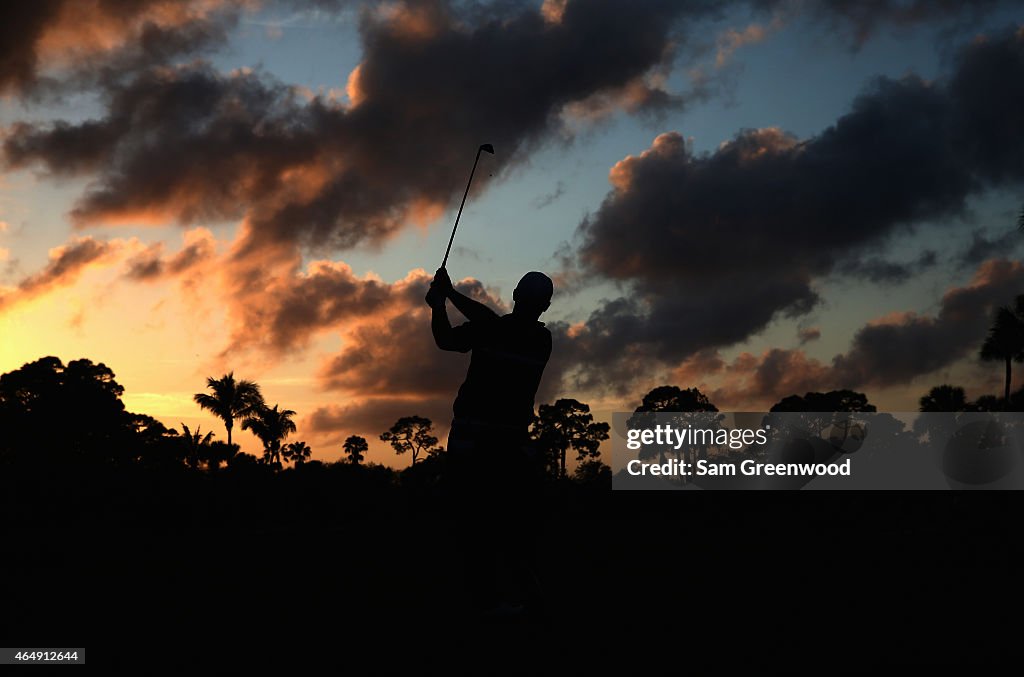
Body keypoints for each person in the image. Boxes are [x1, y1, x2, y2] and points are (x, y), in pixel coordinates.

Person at [424, 266, 553, 616]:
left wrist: (446, 297)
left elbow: (474, 330)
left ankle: (490, 600)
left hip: (476, 440)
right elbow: (447, 340)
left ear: (516, 296)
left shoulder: (514, 334)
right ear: (546, 306)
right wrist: (439, 305)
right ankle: (508, 597)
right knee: (498, 524)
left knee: (477, 524)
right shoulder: (538, 340)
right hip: (506, 444)